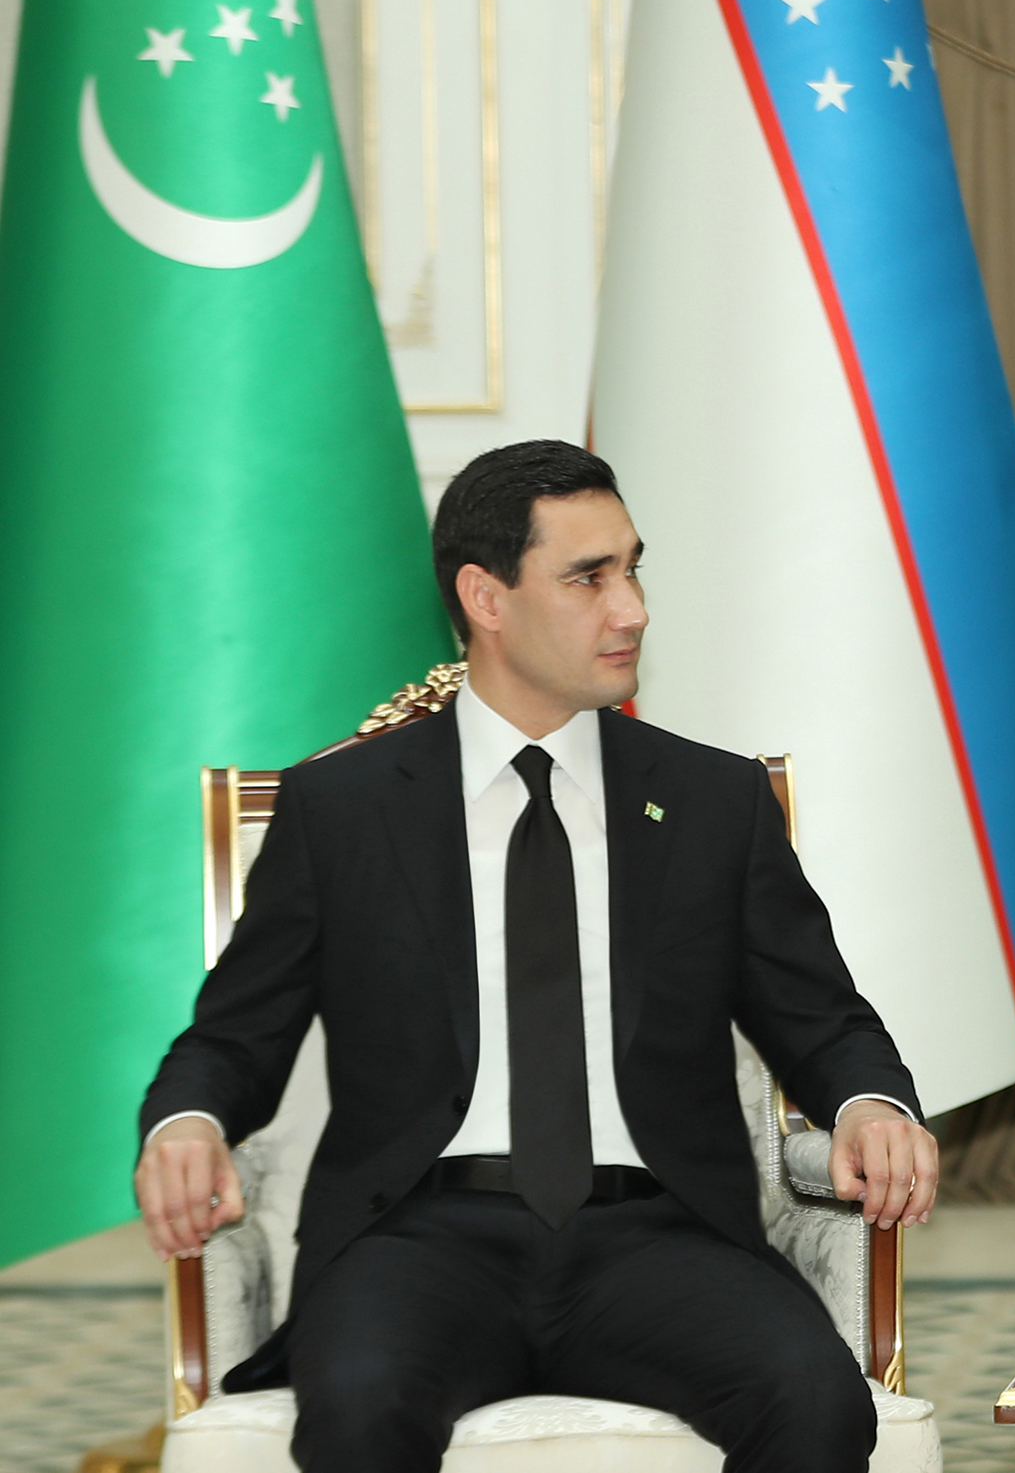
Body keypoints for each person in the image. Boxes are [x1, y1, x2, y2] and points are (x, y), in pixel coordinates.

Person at [133, 439, 940, 1473]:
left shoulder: (710, 800)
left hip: (658, 1232)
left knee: (815, 1397)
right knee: (361, 1402)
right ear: (486, 596)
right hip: (418, 1234)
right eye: (588, 577)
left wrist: (872, 1103)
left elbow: (822, 1017)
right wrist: (188, 1122)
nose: (632, 608)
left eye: (632, 569)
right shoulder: (342, 810)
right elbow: (234, 1034)